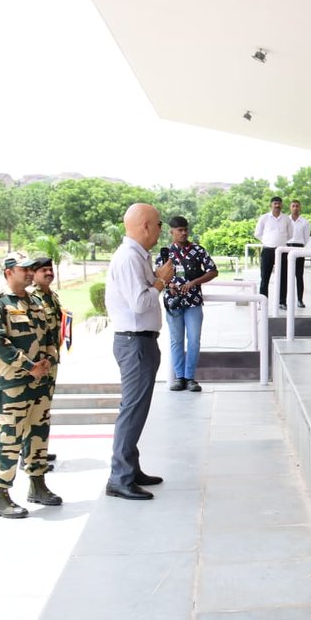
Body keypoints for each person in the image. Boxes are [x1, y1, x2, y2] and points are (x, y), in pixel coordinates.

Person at [104, 203, 174, 500]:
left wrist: (156, 277)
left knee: (137, 409)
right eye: (158, 224)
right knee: (132, 410)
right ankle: (119, 477)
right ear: (145, 226)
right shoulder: (129, 259)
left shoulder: (136, 256)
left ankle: (130, 468)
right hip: (134, 343)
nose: (160, 230)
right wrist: (161, 280)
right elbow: (141, 303)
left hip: (140, 341)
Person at [0, 253, 59, 518]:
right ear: (8, 272)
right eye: (23, 269)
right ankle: (0, 496)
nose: (29, 273)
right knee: (9, 438)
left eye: (31, 270)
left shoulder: (36, 301)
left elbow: (51, 335)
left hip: (40, 382)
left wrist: (48, 360)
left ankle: (38, 485)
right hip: (13, 384)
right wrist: (30, 367)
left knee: (38, 434)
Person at [159, 216, 218, 392]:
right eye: (179, 230)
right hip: (173, 303)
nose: (184, 233)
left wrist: (194, 282)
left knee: (193, 340)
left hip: (193, 302)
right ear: (171, 232)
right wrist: (169, 285)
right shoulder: (165, 252)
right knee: (176, 340)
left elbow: (213, 271)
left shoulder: (198, 250)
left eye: (186, 229)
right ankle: (179, 378)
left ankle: (190, 377)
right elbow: (157, 275)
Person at [27, 257, 62, 473]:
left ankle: (38, 450)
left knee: (44, 408)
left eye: (50, 269)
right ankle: (28, 455)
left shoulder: (52, 296)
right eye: (44, 270)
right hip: (37, 362)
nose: (49, 273)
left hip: (51, 360)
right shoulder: (32, 297)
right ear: (34, 274)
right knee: (33, 408)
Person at [254, 196, 292, 302]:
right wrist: (267, 241)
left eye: (279, 204)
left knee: (283, 277)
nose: (277, 206)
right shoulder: (264, 218)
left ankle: (282, 301)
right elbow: (257, 234)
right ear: (271, 205)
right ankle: (263, 301)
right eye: (275, 204)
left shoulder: (286, 219)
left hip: (282, 251)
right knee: (265, 277)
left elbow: (290, 234)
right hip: (267, 251)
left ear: (282, 205)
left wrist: (280, 241)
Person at [286, 198, 311, 307]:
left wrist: (299, 247)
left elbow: (306, 238)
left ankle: (300, 300)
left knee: (299, 275)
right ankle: (283, 301)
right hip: (287, 248)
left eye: (297, 206)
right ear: (290, 207)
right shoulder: (286, 220)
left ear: (300, 207)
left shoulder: (305, 222)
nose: (295, 208)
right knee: (286, 276)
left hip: (299, 249)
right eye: (293, 206)